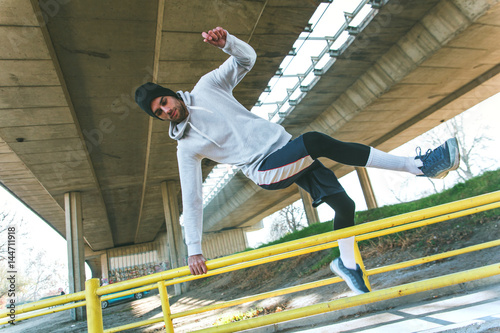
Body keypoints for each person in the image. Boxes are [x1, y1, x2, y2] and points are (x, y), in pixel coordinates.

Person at [135, 27, 460, 294]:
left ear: (171, 94)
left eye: (164, 102)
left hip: (287, 150)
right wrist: (194, 248)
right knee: (316, 141)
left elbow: (247, 60)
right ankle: (417, 166)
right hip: (265, 169)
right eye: (159, 113)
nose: (167, 111)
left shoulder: (207, 87)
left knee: (345, 206)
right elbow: (192, 199)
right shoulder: (186, 147)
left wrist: (227, 43)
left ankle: (346, 265)